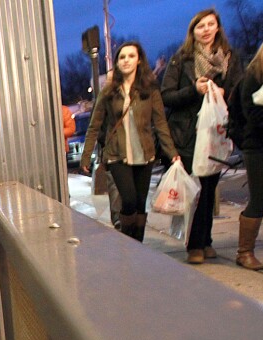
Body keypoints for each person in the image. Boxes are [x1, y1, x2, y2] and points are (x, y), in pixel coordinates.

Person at [161, 8, 243, 264]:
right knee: (195, 191)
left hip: (216, 131)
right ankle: (194, 244)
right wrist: (194, 90)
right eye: (200, 26)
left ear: (217, 27)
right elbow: (167, 95)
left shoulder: (230, 58)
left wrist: (222, 91)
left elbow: (238, 90)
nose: (206, 29)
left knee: (210, 189)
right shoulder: (181, 59)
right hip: (187, 134)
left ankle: (206, 240)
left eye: (210, 24)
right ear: (193, 31)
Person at [81, 42, 180, 241]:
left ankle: (138, 246)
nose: (126, 60)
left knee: (141, 203)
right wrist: (86, 155)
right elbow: (94, 125)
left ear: (139, 60)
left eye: (131, 56)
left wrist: (172, 153)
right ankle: (128, 245)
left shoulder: (150, 90)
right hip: (117, 154)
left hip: (145, 153)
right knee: (128, 200)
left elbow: (160, 123)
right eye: (122, 57)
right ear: (117, 63)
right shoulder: (108, 91)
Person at [234, 12, 263, 271]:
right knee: (260, 199)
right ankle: (245, 251)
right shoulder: (257, 69)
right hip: (261, 145)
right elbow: (252, 112)